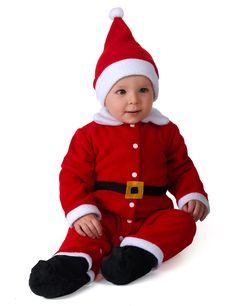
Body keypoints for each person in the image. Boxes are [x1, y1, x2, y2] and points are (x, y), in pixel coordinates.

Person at [29, 7, 209, 299]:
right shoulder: (89, 134)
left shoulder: (166, 131)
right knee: (87, 231)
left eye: (143, 90)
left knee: (183, 224)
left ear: (154, 92)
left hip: (152, 215)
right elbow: (73, 175)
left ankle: (137, 254)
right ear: (104, 95)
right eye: (121, 91)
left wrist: (191, 195)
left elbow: (181, 167)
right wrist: (82, 210)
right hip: (106, 213)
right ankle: (73, 263)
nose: (134, 100)